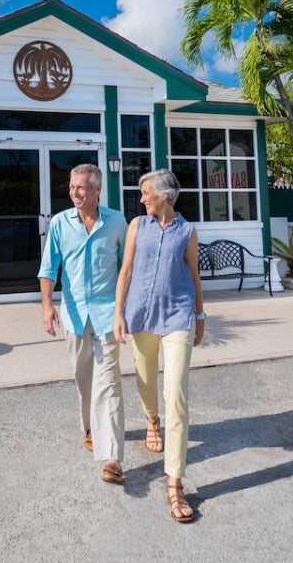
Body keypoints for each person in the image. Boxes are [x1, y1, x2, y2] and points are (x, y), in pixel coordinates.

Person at [114, 169, 206, 523]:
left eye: (146, 193)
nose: (142, 198)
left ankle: (175, 484)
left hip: (178, 315)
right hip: (140, 314)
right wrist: (118, 313)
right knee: (145, 378)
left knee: (177, 396)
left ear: (165, 195)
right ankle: (152, 420)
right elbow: (125, 271)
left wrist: (200, 316)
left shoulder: (187, 231)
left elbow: (194, 275)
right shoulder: (138, 225)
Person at [39, 163, 129, 485]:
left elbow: (125, 270)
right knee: (84, 379)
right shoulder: (60, 224)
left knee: (110, 381)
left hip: (107, 314)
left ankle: (113, 457)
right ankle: (91, 427)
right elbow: (49, 267)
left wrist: (123, 310)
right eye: (71, 187)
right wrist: (47, 306)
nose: (74, 192)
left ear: (96, 189)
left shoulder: (117, 222)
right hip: (74, 314)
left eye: (81, 187)